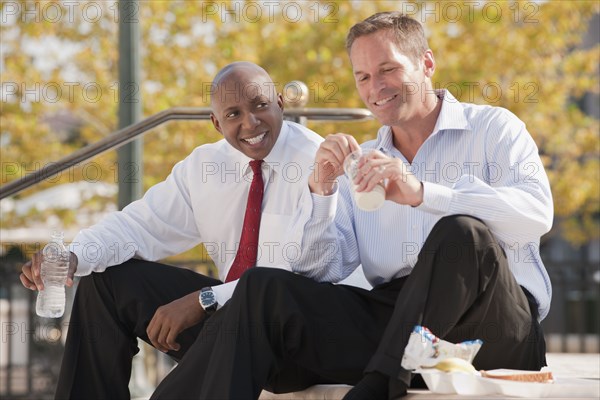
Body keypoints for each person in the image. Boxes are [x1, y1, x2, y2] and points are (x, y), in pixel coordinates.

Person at [148, 12, 554, 400]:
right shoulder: (364, 162)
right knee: (262, 287)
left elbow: (537, 214)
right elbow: (320, 271)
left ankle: (376, 386)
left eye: (388, 69)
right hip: (400, 324)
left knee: (462, 232)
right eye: (363, 76)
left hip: (492, 327)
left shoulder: (493, 128)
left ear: (426, 63)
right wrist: (321, 191)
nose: (375, 86)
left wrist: (424, 194)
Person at [19, 61, 327, 399]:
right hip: (231, 319)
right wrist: (73, 257)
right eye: (233, 114)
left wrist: (204, 299)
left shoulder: (316, 163)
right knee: (105, 281)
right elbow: (140, 224)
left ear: (280, 103)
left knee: (231, 323)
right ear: (216, 122)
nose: (250, 123)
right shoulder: (206, 167)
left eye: (260, 106)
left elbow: (294, 275)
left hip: (298, 337)